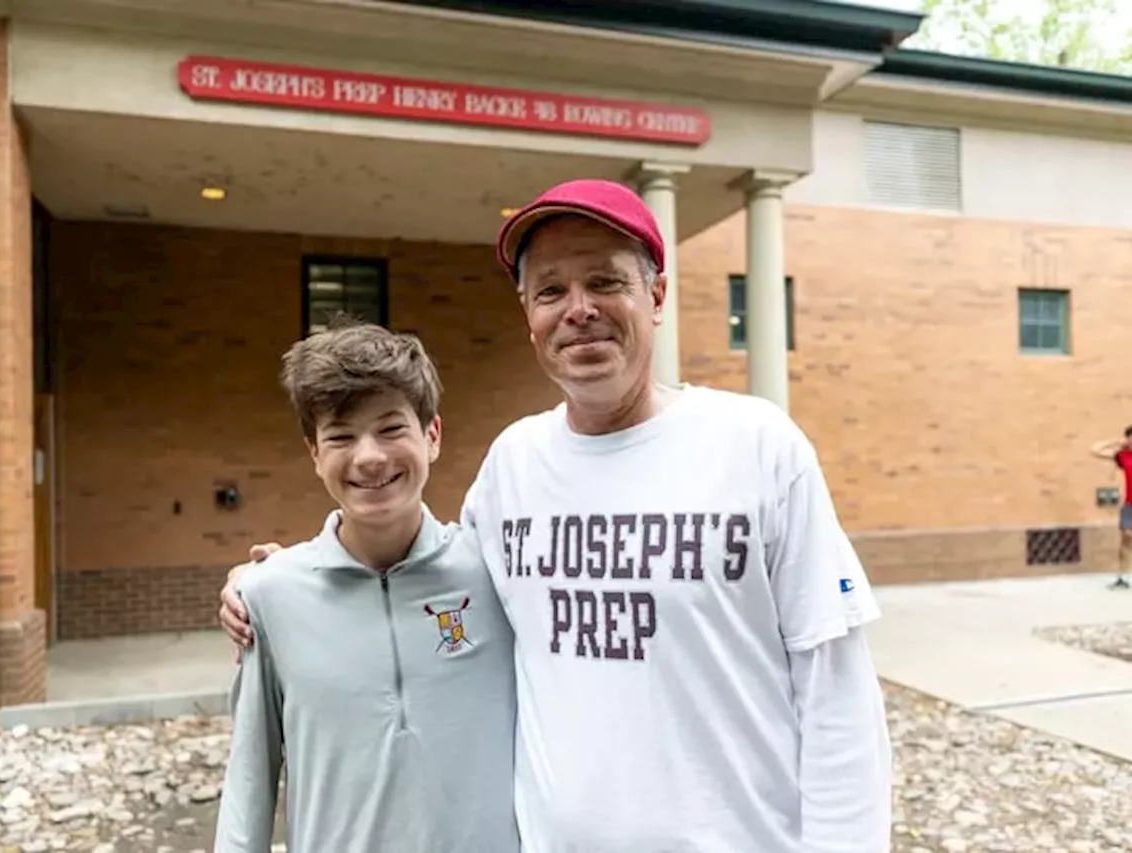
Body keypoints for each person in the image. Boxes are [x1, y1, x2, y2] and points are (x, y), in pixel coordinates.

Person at [221, 179, 893, 852]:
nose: (579, 310)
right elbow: (424, 575)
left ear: (655, 296)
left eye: (605, 281)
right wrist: (284, 582)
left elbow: (837, 694)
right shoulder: (514, 465)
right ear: (529, 316)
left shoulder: (758, 448)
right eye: (551, 291)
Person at [213, 319, 519, 853]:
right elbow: (249, 781)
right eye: (341, 436)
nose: (370, 456)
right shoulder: (270, 598)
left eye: (391, 428)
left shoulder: (498, 571)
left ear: (433, 435)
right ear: (314, 454)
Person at [1090, 425, 1132, 587]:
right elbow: (1095, 450)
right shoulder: (1123, 456)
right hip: (1129, 505)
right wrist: (1116, 442)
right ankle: (1122, 577)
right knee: (1126, 539)